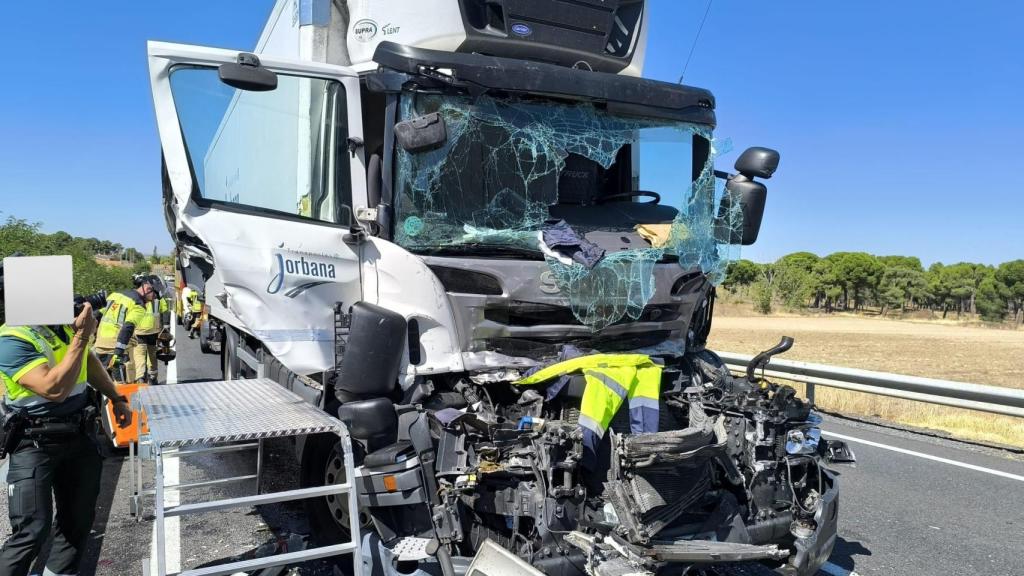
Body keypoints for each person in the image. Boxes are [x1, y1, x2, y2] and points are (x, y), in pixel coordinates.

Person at [0, 298, 133, 575]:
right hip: (34, 443)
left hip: (79, 436)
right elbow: (54, 388)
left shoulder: (58, 328)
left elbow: (88, 361)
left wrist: (116, 398)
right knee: (31, 531)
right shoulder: (12, 337)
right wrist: (82, 336)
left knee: (78, 521)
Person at [94, 275, 163, 383]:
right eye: (155, 295)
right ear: (148, 288)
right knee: (125, 382)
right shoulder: (138, 305)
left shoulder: (116, 295)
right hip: (118, 347)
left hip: (101, 343)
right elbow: (128, 328)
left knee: (104, 380)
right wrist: (118, 353)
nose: (154, 299)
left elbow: (98, 315)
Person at [131, 291, 168, 385]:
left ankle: (140, 378)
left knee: (139, 355)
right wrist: (165, 328)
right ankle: (153, 377)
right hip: (154, 331)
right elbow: (165, 310)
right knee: (152, 354)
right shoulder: (158, 299)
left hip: (140, 331)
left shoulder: (136, 297)